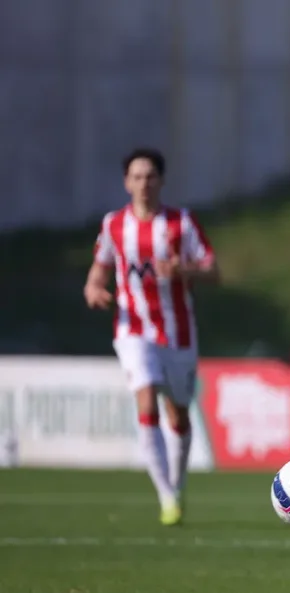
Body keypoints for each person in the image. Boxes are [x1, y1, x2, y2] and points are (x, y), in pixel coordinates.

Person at [84, 148, 219, 526]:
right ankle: (165, 496)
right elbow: (98, 272)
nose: (144, 183)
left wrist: (184, 269)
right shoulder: (114, 225)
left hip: (178, 332)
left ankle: (176, 485)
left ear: (161, 181)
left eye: (150, 176)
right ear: (127, 182)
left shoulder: (181, 224)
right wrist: (94, 290)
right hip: (133, 329)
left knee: (178, 413)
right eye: (137, 176)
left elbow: (214, 270)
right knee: (145, 397)